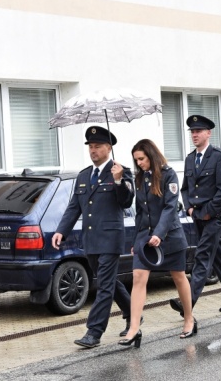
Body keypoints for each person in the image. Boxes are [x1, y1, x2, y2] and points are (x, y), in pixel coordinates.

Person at [51, 126, 134, 349]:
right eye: (90, 147)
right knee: (110, 281)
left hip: (110, 240)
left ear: (109, 148)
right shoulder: (84, 175)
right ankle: (133, 313)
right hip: (90, 240)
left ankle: (94, 332)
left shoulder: (121, 172)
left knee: (104, 286)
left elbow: (126, 202)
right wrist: (61, 230)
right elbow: (74, 207)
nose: (93, 150)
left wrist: (118, 181)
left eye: (97, 146)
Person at [119, 139, 195, 348]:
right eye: (136, 160)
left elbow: (170, 207)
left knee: (178, 277)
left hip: (170, 236)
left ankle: (189, 319)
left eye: (142, 159)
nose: (139, 163)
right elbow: (139, 212)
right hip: (145, 237)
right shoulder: (140, 177)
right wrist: (136, 240)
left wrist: (159, 234)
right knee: (138, 277)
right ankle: (134, 328)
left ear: (151, 156)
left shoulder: (168, 174)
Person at [169, 115, 221, 316]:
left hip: (215, 216)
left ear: (208, 133)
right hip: (198, 216)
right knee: (218, 258)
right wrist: (189, 208)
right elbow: (185, 188)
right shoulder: (190, 158)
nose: (194, 135)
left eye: (198, 131)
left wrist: (209, 211)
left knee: (202, 255)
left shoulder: (220, 156)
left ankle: (187, 302)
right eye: (192, 132)